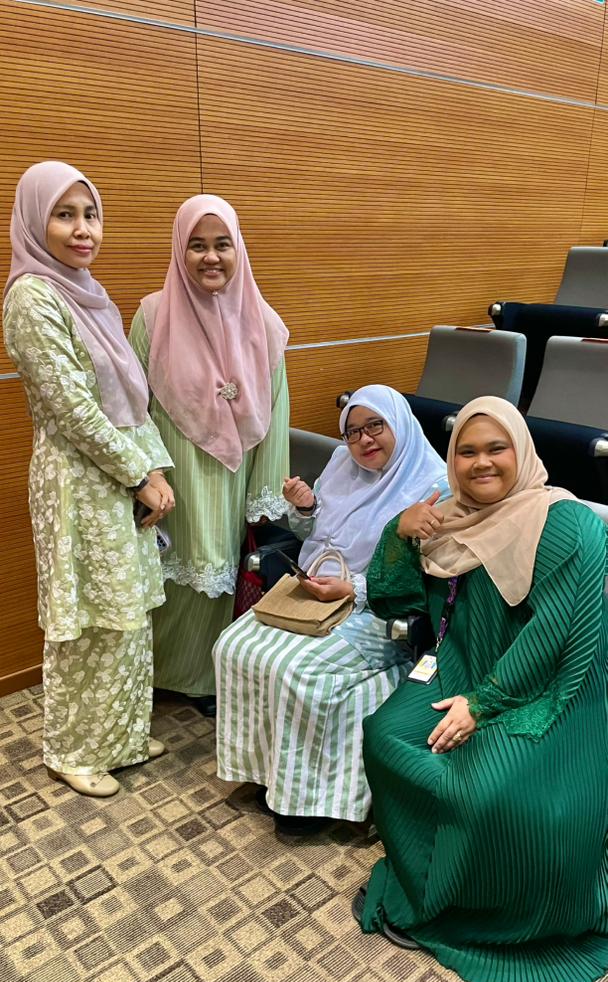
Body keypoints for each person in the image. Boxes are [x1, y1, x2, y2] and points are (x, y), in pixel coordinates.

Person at [354, 396, 608, 982]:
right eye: (466, 451)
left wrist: (482, 705)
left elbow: (554, 635)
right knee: (387, 737)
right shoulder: (449, 518)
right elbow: (393, 600)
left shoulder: (570, 525)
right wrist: (400, 533)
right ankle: (426, 883)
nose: (481, 463)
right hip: (460, 666)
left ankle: (491, 912)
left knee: (490, 793)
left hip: (552, 687)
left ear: (523, 451)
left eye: (497, 448)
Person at [3, 161, 175, 798]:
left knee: (126, 615)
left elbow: (131, 397)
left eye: (91, 214)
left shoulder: (88, 291)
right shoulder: (32, 297)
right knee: (86, 620)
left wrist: (154, 469)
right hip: (78, 481)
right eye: (65, 214)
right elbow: (73, 410)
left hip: (121, 474)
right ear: (34, 221)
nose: (83, 230)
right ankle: (72, 750)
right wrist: (138, 475)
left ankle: (121, 737)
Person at [213, 385, 450, 834]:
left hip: (378, 610)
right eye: (352, 431)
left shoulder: (433, 486)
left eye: (375, 425)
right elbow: (313, 535)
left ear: (399, 423)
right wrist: (305, 508)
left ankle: (306, 801)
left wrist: (353, 589)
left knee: (299, 670)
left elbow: (425, 581)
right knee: (233, 646)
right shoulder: (343, 464)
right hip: (317, 591)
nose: (364, 440)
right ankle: (266, 773)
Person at [129, 195, 289, 714]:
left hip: (231, 472)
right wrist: (144, 474)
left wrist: (265, 489)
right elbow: (134, 405)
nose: (211, 257)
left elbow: (276, 409)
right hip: (171, 472)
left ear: (239, 249)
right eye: (197, 245)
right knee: (169, 569)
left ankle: (204, 678)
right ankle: (158, 672)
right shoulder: (153, 315)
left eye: (223, 244)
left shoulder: (264, 322)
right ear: (180, 250)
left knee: (218, 572)